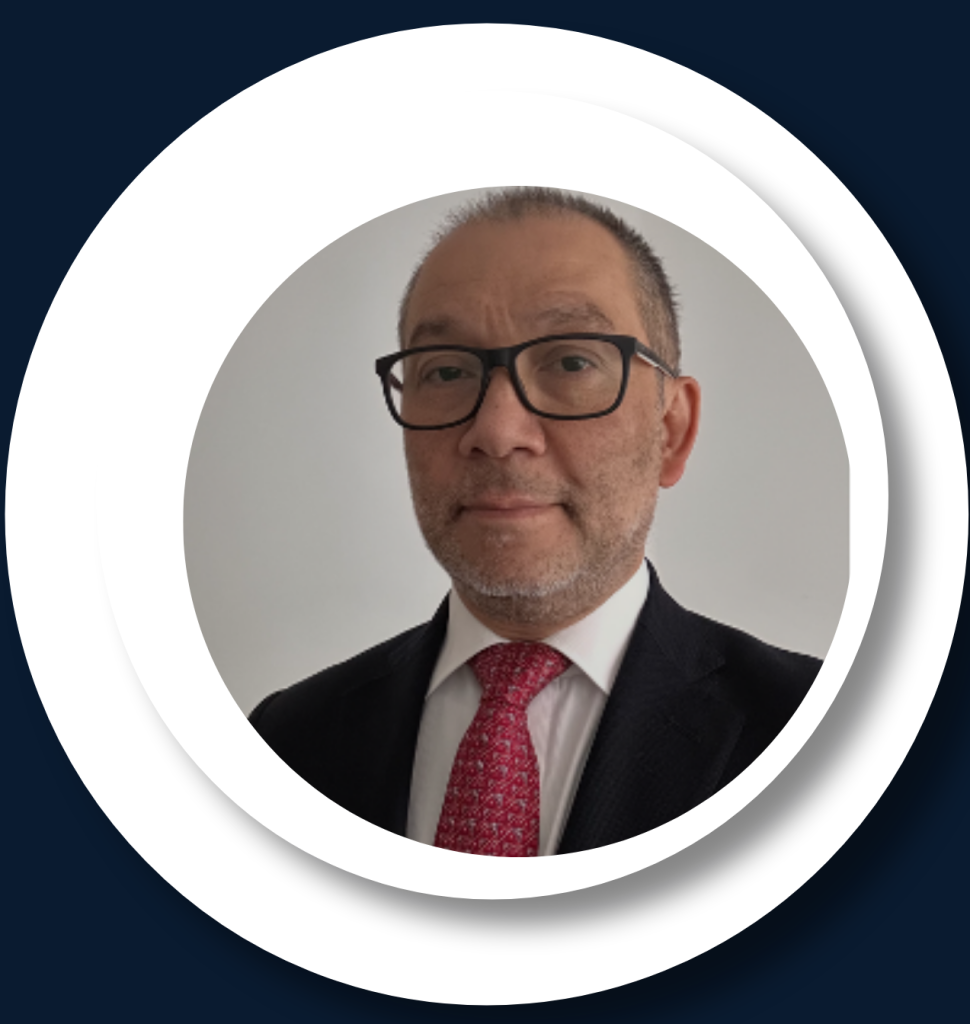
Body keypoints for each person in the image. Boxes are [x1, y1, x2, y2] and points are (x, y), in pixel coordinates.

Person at [250, 188, 820, 857]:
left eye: (572, 362)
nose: (496, 432)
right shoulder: (285, 742)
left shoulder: (823, 735)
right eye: (447, 371)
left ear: (671, 430)